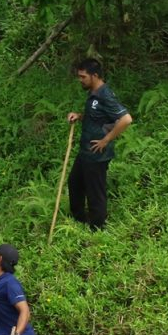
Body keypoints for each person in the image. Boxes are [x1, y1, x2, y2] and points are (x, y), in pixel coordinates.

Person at [66, 58, 133, 230]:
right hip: (85, 152)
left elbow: (125, 120)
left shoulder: (105, 95)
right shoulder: (93, 93)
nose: (80, 80)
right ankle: (79, 219)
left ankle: (97, 227)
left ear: (95, 76)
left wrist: (106, 140)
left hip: (97, 155)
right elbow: (98, 117)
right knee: (75, 182)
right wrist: (79, 116)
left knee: (95, 192)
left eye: (83, 77)